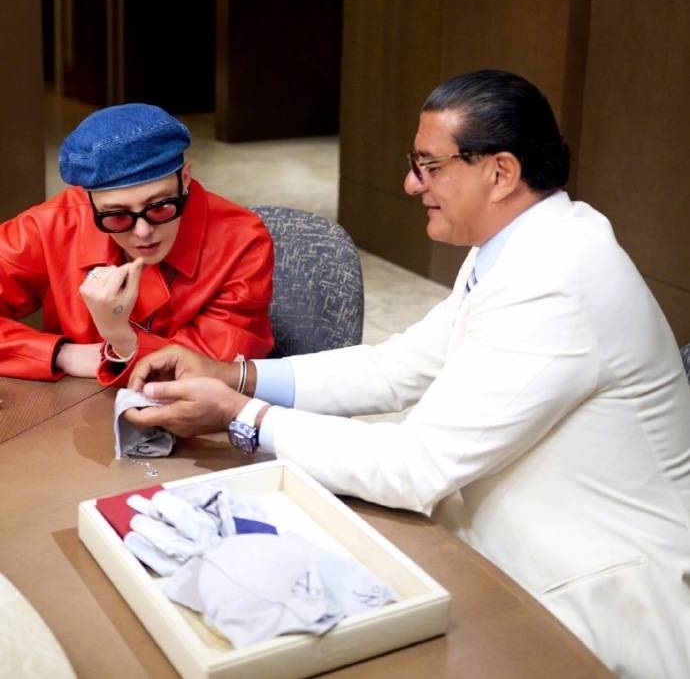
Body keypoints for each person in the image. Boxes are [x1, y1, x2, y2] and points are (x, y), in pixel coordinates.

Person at [125, 70, 690, 679]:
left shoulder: (557, 279)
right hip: (499, 543)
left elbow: (417, 466)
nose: (411, 183)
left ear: (500, 173)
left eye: (429, 166)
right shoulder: (519, 242)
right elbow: (396, 367)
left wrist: (243, 418)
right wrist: (235, 375)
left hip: (592, 600)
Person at [0, 103, 274, 385]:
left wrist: (120, 338)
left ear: (185, 179)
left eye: (160, 207)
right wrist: (62, 354)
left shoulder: (242, 242)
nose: (143, 231)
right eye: (117, 215)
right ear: (89, 200)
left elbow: (218, 372)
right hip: (66, 402)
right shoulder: (53, 224)